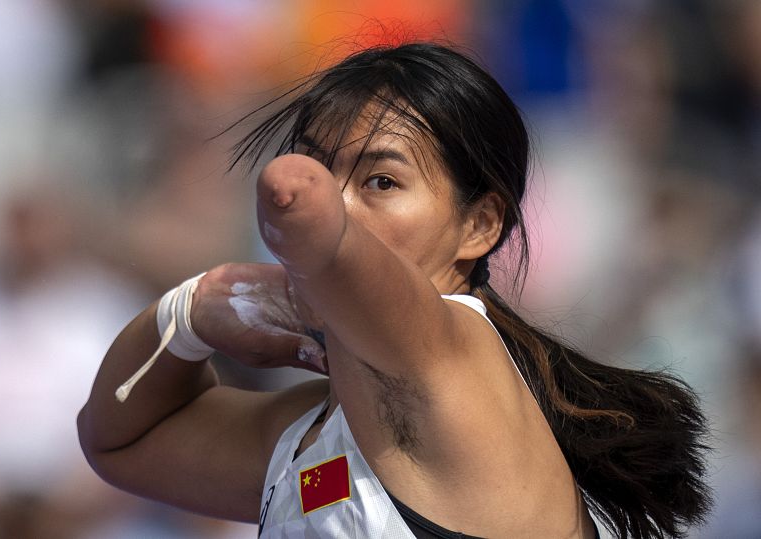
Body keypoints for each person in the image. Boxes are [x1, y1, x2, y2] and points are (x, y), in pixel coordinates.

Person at [78, 42, 712, 538]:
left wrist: (302, 206)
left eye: (381, 181)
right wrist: (195, 310)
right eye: (324, 165)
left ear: (479, 225)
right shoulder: (312, 430)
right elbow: (118, 440)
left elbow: (305, 207)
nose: (342, 199)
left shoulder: (458, 354)